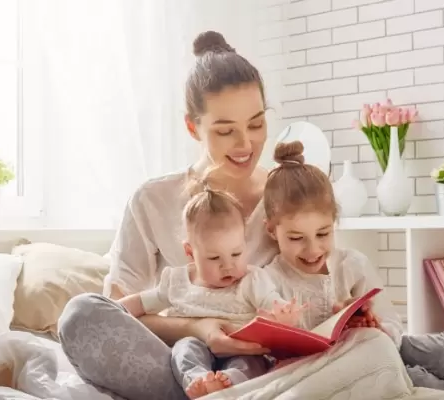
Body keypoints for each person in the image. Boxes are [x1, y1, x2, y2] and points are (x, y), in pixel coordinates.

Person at [57, 30, 284, 400]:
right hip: (180, 361)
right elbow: (119, 315)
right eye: (225, 131)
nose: (246, 144)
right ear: (193, 127)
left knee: (375, 343)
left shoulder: (288, 194)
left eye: (257, 124)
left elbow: (321, 286)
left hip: (270, 363)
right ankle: (210, 392)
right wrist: (199, 328)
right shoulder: (152, 200)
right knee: (81, 316)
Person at [259, 140, 444, 389]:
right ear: (272, 230)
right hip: (341, 368)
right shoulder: (268, 280)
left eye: (323, 233)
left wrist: (373, 326)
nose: (313, 249)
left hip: (382, 345)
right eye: (296, 238)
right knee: (409, 380)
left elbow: (393, 326)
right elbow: (273, 359)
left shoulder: (352, 264)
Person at [118, 173, 303, 399]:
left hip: (242, 349)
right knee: (183, 350)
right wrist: (114, 309)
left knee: (251, 363)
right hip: (196, 346)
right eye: (214, 258)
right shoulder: (177, 282)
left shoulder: (252, 280)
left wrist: (284, 315)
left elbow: (272, 303)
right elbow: (141, 302)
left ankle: (230, 385)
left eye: (236, 253)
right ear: (190, 253)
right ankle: (198, 382)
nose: (228, 266)